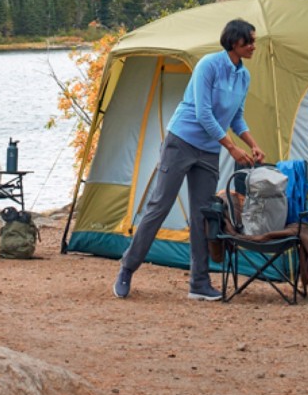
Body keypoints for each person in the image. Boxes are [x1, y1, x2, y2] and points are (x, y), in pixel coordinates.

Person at [113, 18, 265, 301]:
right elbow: (203, 113)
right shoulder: (209, 65)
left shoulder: (243, 76)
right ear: (235, 42)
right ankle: (127, 267)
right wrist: (231, 148)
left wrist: (253, 145)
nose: (254, 47)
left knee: (202, 215)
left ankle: (199, 282)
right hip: (181, 142)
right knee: (159, 205)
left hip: (208, 150)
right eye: (250, 41)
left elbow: (236, 117)